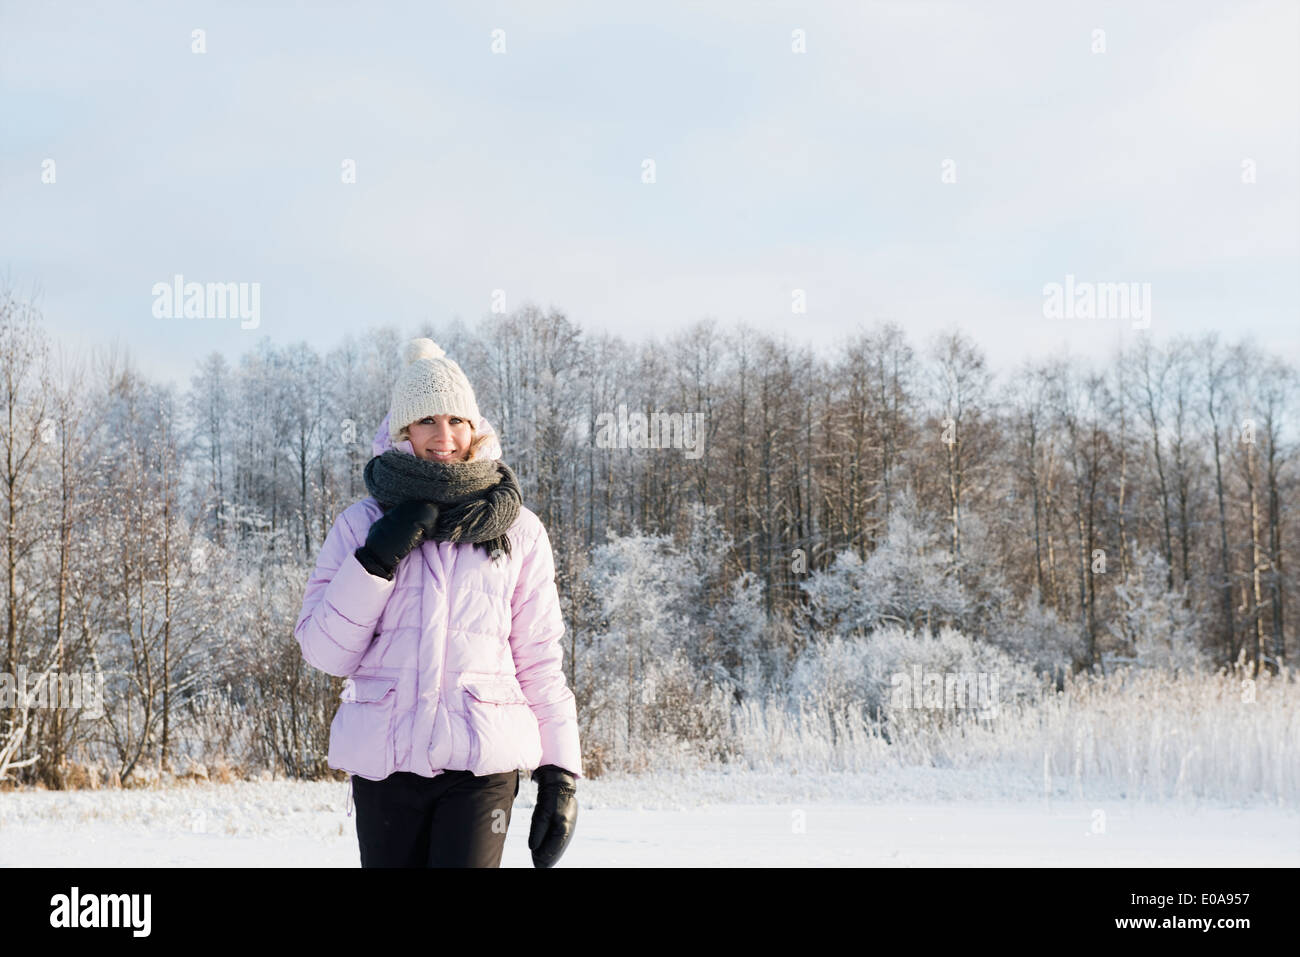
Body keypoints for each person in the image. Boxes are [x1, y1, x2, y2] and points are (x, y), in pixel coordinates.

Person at [294, 337, 581, 868]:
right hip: (385, 764)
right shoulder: (362, 524)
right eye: (426, 421)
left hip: (480, 766)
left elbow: (539, 658)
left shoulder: (517, 530)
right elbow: (323, 653)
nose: (443, 437)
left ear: (476, 428)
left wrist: (559, 774)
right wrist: (375, 559)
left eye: (457, 420)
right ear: (404, 430)